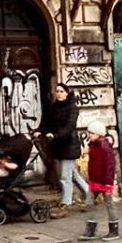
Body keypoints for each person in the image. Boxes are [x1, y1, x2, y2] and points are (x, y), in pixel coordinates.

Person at [41, 83, 89, 212]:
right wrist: (40, 131)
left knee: (64, 176)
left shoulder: (72, 108)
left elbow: (69, 127)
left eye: (61, 91)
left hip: (69, 146)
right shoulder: (54, 107)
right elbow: (47, 123)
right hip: (58, 146)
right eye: (57, 91)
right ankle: (90, 194)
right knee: (73, 174)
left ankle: (66, 202)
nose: (59, 93)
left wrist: (55, 135)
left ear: (67, 93)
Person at [80, 124, 119, 240]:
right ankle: (91, 229)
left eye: (92, 133)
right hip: (94, 180)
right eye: (89, 133)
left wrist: (108, 184)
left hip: (104, 181)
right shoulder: (92, 146)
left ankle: (114, 229)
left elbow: (110, 166)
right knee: (89, 202)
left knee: (109, 204)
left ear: (99, 134)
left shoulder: (105, 148)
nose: (89, 135)